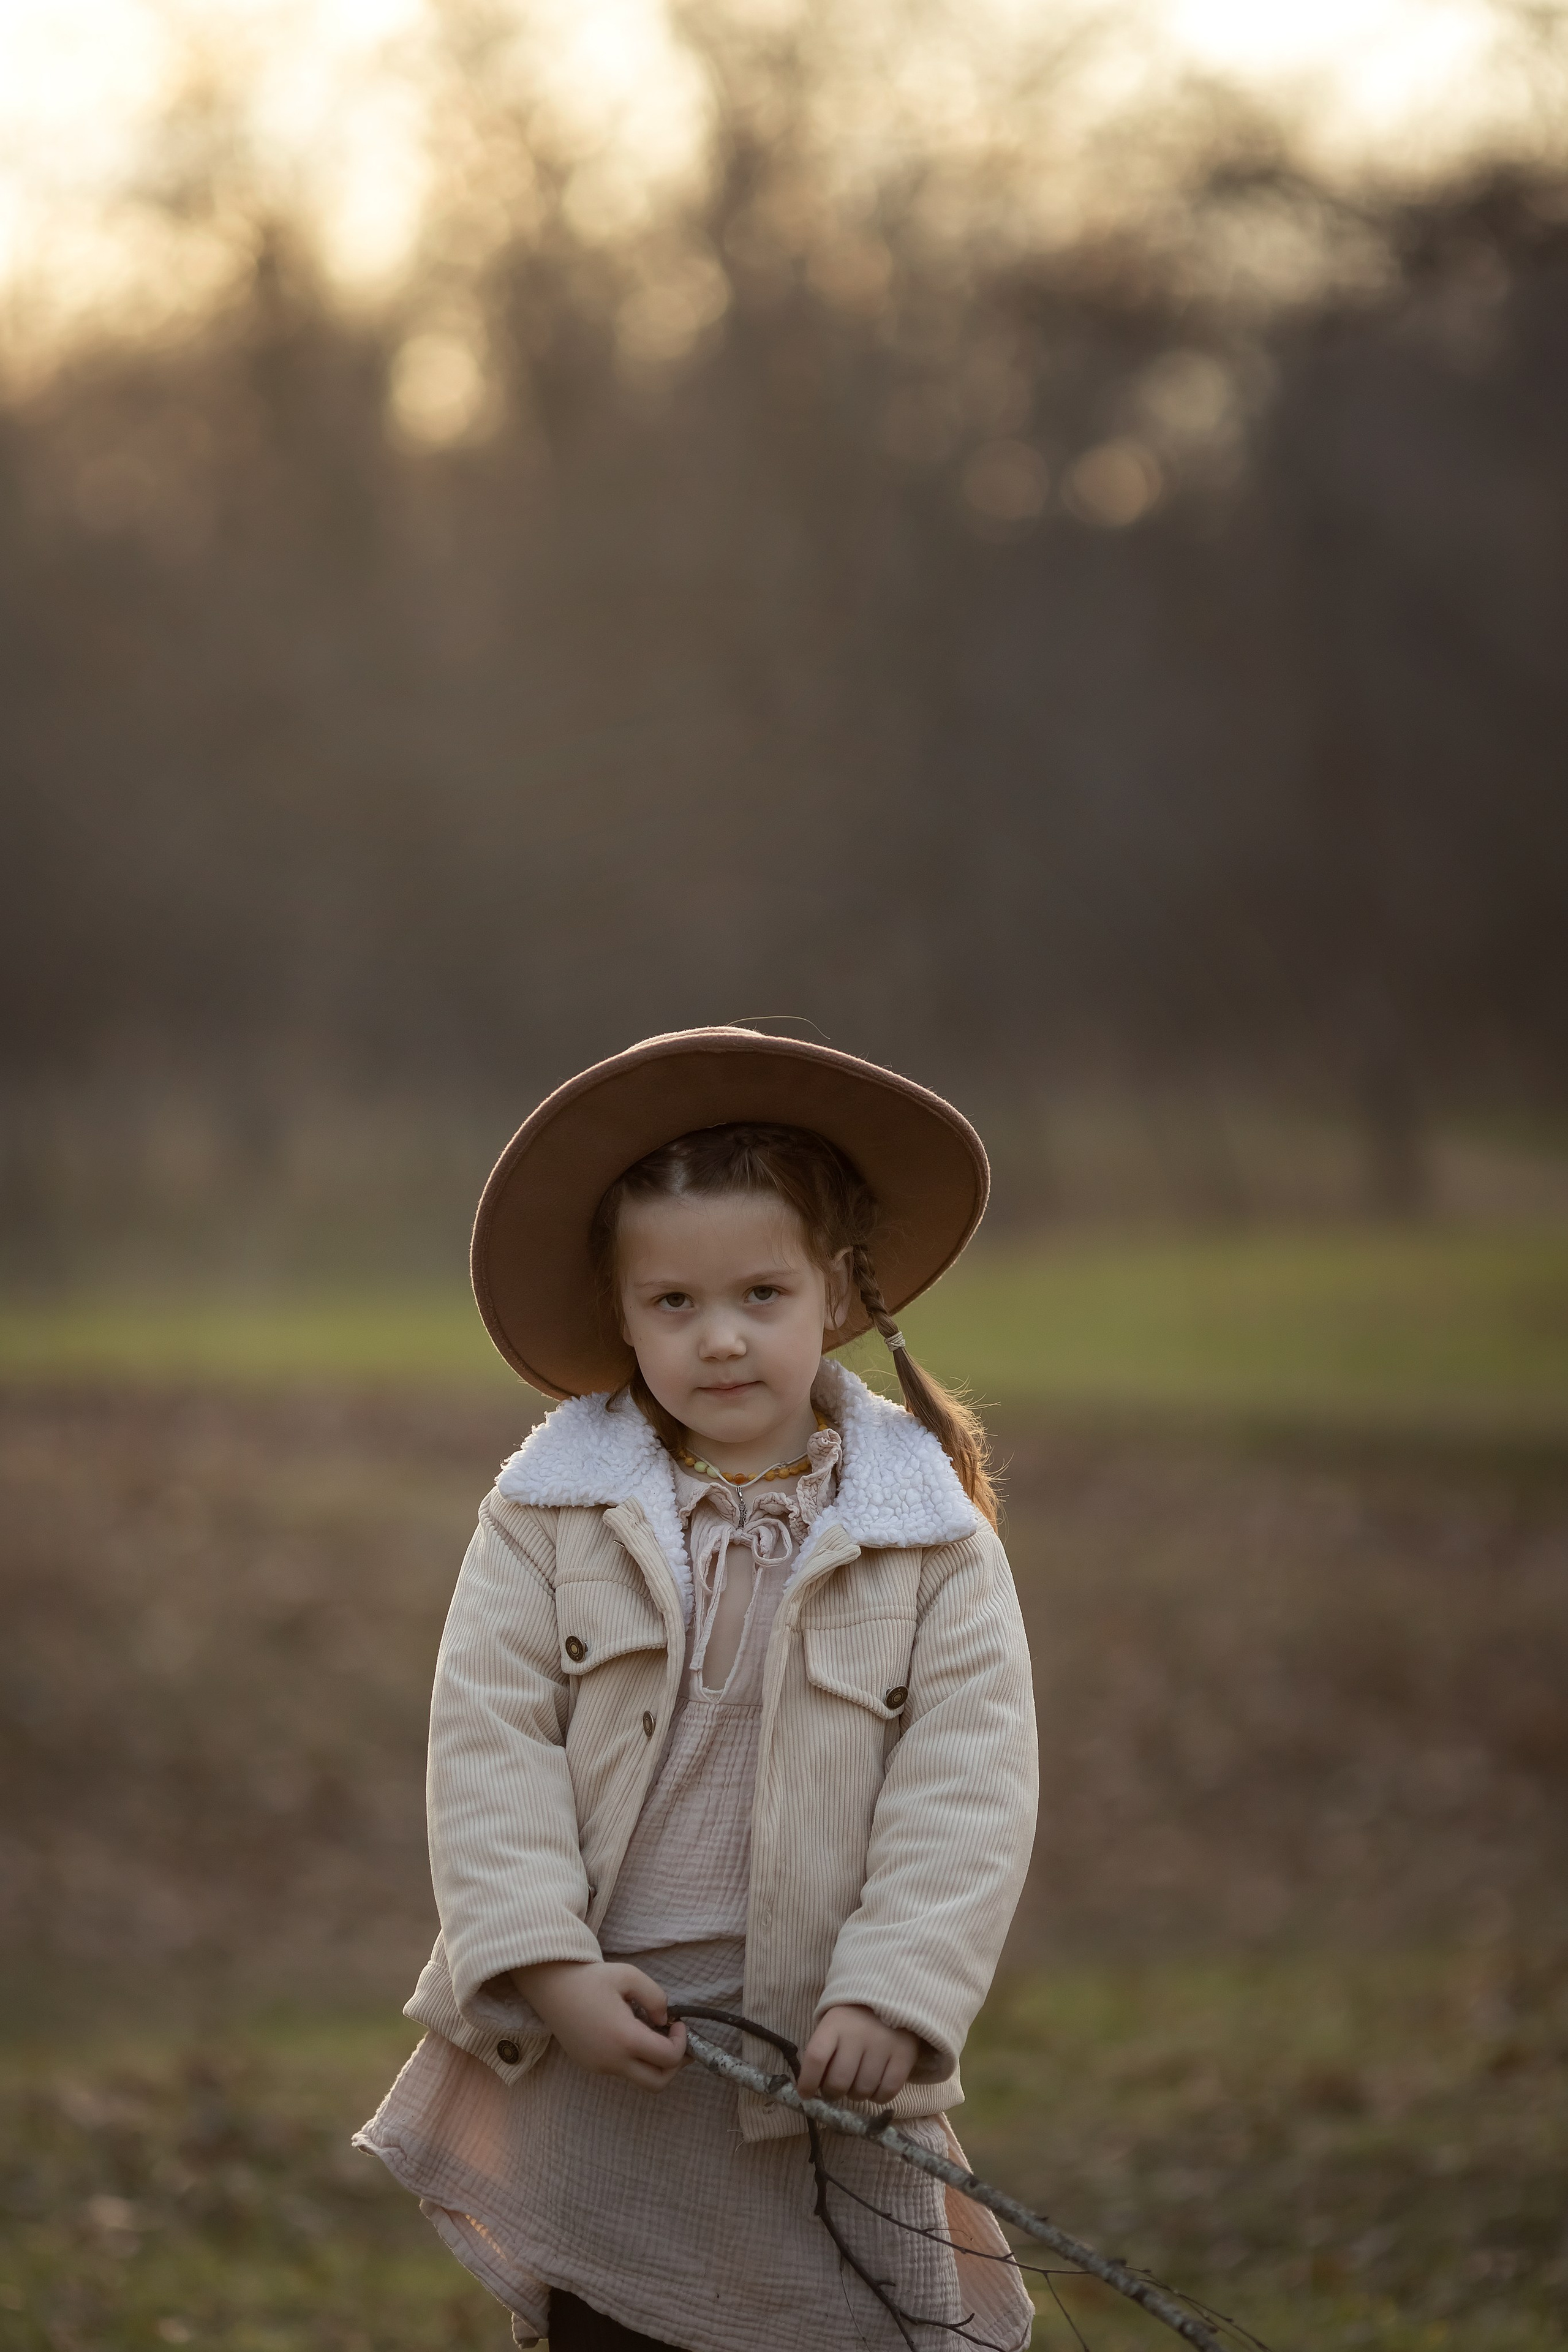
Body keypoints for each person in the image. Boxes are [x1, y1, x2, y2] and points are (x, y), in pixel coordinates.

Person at [357, 1027, 1039, 2352]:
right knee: (612, 2328)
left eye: (759, 1297)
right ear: (620, 1316)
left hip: (820, 2055)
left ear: (834, 1295)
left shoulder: (926, 1535)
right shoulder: (547, 1517)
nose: (719, 1339)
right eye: (672, 1304)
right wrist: (547, 1968)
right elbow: (489, 1747)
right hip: (610, 2052)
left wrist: (892, 1994)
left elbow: (968, 1784)